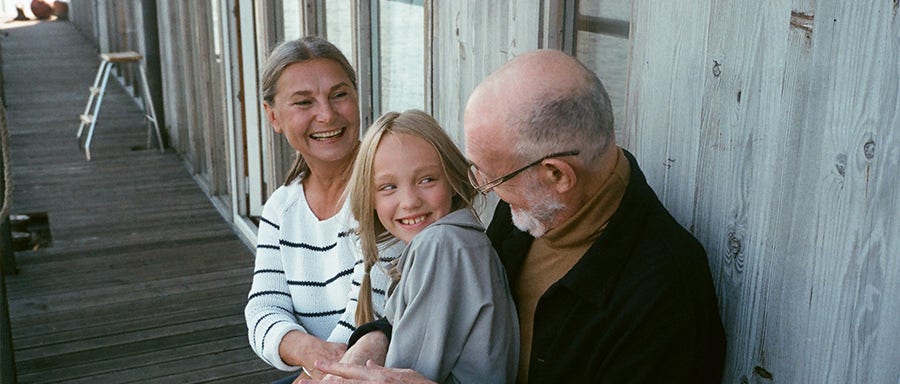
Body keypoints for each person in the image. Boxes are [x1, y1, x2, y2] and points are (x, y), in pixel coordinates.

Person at [309, 49, 726, 383]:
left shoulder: (666, 296)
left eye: (491, 177)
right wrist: (374, 341)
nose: (481, 188)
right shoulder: (531, 212)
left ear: (557, 175)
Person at [243, 36, 397, 384]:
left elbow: (370, 306)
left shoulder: (388, 186)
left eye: (339, 95)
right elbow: (263, 307)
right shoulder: (282, 207)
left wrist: (322, 372)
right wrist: (308, 352)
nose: (327, 114)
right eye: (303, 102)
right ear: (273, 116)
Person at [338, 109, 519, 383]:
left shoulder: (441, 246)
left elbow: (403, 375)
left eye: (427, 180)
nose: (410, 201)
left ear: (453, 180)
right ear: (370, 197)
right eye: (388, 187)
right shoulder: (461, 241)